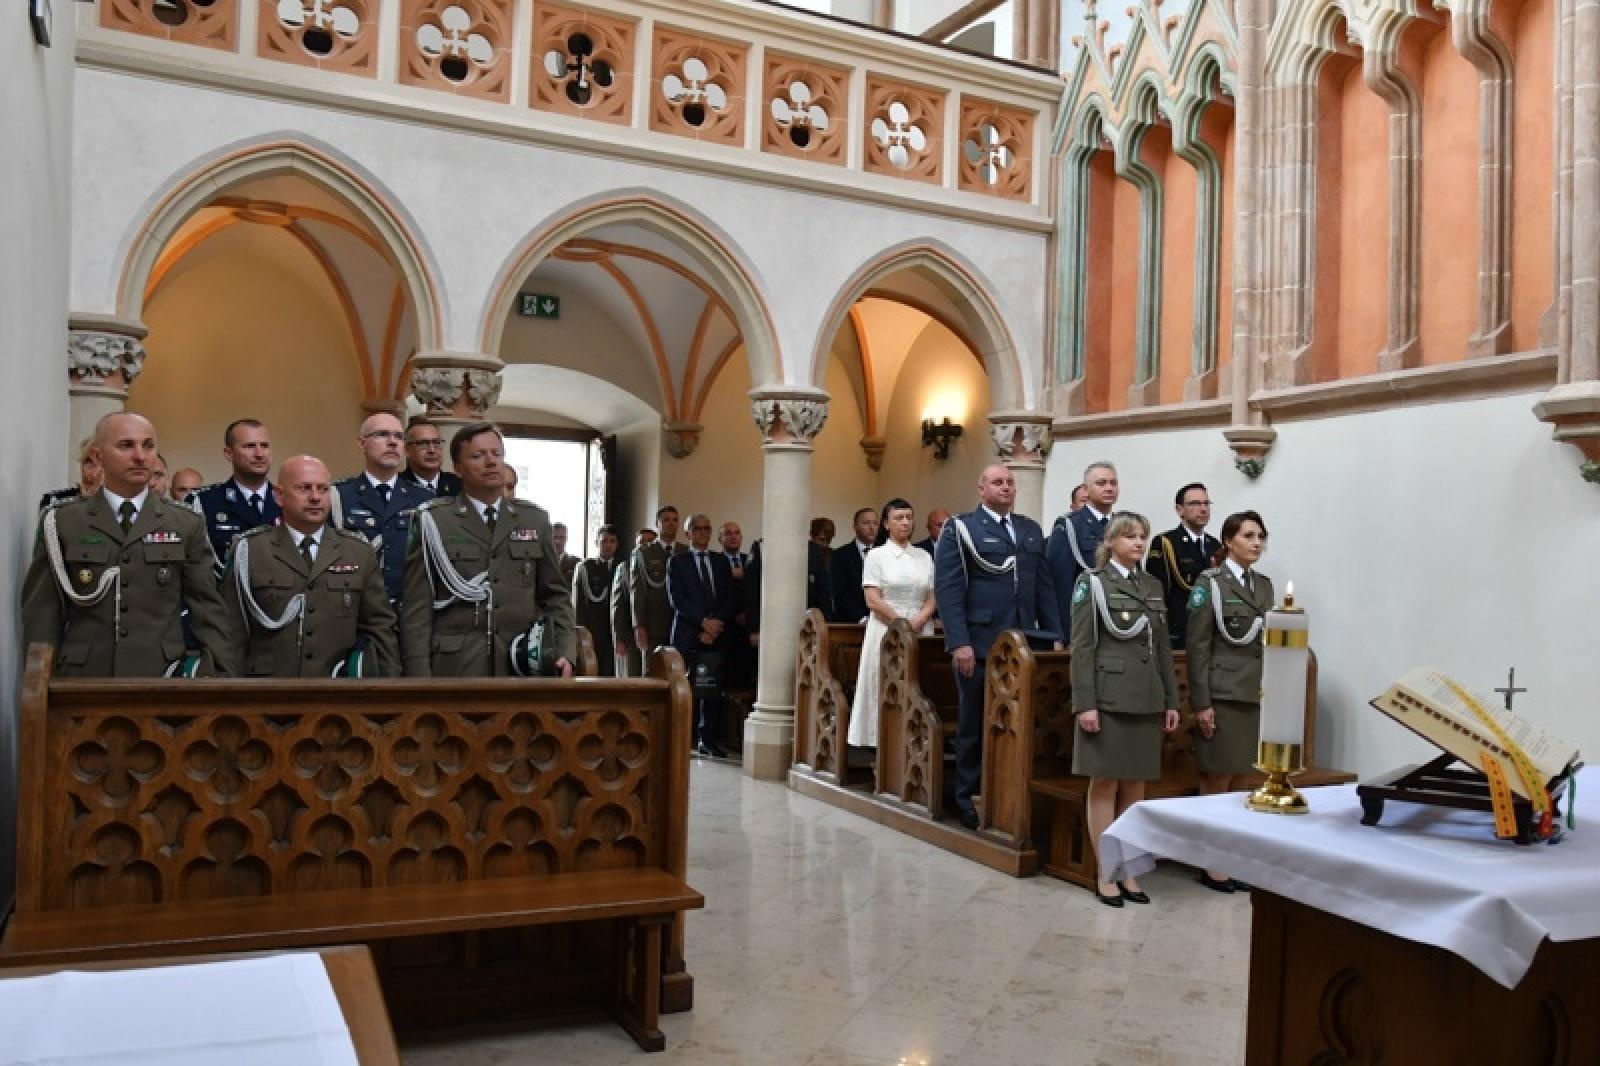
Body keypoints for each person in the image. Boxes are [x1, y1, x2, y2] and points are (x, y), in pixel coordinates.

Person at [22, 412, 234, 677]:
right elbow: (43, 614)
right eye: (126, 445)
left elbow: (208, 609)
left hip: (161, 676)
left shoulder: (185, 522)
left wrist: (222, 677)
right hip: (84, 679)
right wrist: (39, 683)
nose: (140, 456)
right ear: (99, 457)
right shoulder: (63, 522)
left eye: (148, 446)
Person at [935, 465, 1061, 829]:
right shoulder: (962, 529)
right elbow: (950, 589)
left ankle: (1009, 794)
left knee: (1019, 723)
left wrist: (1053, 632)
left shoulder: (1029, 529)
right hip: (980, 642)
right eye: (997, 482)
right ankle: (966, 798)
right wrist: (959, 643)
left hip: (1024, 643)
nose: (1006, 488)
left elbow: (1044, 586)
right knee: (974, 723)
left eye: (1009, 483)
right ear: (981, 488)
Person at [399, 422, 575, 677]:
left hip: (519, 664)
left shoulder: (533, 519)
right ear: (458, 469)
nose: (491, 462)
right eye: (478, 456)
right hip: (456, 669)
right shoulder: (435, 521)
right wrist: (418, 678)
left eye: (497, 454)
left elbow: (555, 596)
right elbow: (417, 608)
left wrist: (564, 651)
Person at [1069, 511, 1180, 907]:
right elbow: (1082, 648)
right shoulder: (1092, 584)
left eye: (1143, 536)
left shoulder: (1151, 585)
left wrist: (1171, 699)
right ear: (1111, 542)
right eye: (1130, 536)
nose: (1138, 543)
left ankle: (1129, 867)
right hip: (1109, 698)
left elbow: (1162, 648)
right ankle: (1107, 872)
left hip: (1146, 698)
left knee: (1135, 786)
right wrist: (1086, 704)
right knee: (1105, 785)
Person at [223, 456, 398, 677]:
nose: (315, 497)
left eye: (323, 489)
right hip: (268, 692)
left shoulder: (358, 551)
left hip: (338, 691)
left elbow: (380, 627)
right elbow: (230, 631)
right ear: (279, 496)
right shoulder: (250, 550)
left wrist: (388, 689)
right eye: (304, 489)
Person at [1186, 510, 1272, 892]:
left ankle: (1230, 855)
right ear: (1229, 541)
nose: (1256, 543)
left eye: (1260, 537)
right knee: (1217, 778)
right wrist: (1202, 703)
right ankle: (1210, 861)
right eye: (1248, 536)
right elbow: (1198, 646)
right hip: (1221, 693)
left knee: (1241, 779)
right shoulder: (1210, 585)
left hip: (1252, 692)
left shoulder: (1265, 586)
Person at [847, 499, 936, 749]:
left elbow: (931, 597)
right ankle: (882, 747)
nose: (905, 522)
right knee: (885, 686)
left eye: (909, 517)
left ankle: (916, 744)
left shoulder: (924, 556)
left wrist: (918, 620)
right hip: (887, 628)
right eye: (899, 518)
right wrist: (900, 624)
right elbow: (873, 599)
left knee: (917, 686)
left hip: (920, 627)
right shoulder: (877, 556)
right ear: (886, 524)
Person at [333, 411, 430, 606]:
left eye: (399, 437)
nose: (392, 442)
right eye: (382, 434)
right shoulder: (339, 496)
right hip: (356, 608)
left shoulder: (424, 498)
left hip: (409, 609)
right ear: (362, 444)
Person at [667, 514, 736, 757]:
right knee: (687, 689)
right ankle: (684, 738)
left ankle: (708, 739)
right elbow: (677, 599)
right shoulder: (678, 561)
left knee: (712, 689)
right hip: (688, 632)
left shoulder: (720, 561)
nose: (703, 533)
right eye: (698, 529)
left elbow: (729, 597)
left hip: (717, 634)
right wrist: (703, 624)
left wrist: (715, 625)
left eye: (707, 528)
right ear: (688, 534)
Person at [193, 418, 281, 563]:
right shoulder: (205, 502)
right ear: (229, 453)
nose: (259, 454)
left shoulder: (288, 500)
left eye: (265, 446)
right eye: (249, 446)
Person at [1146, 483, 1222, 649]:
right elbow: (1158, 592)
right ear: (1179, 510)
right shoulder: (1166, 543)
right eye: (1195, 504)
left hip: (1209, 631)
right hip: (1179, 630)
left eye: (1206, 503)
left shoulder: (1215, 545)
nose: (1203, 509)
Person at [1047, 461, 1119, 633]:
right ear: (1086, 490)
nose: (1109, 488)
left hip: (1119, 618)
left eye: (1113, 483)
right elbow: (1061, 585)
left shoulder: (1123, 525)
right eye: (1101, 483)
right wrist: (1063, 632)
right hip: (1086, 619)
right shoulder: (1070, 525)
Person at [630, 506, 687, 661]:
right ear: (657, 523)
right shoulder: (643, 552)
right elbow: (637, 591)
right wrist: (639, 625)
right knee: (653, 671)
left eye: (675, 520)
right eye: (666, 520)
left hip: (680, 622)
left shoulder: (685, 552)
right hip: (653, 624)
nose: (671, 523)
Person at [572, 524, 621, 676]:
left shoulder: (622, 566)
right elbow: (578, 603)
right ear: (596, 543)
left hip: (615, 630)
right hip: (593, 628)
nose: (608, 545)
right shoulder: (586, 567)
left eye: (612, 541)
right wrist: (581, 632)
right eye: (604, 541)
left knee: (614, 672)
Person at [610, 528, 653, 677]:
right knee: (634, 677)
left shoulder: (661, 565)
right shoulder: (624, 568)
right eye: (642, 542)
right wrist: (619, 638)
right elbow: (617, 606)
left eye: (649, 543)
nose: (645, 546)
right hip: (631, 633)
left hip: (655, 632)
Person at [830, 507, 879, 623]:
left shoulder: (885, 554)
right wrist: (861, 618)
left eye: (875, 523)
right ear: (855, 526)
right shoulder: (840, 555)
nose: (872, 528)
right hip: (850, 623)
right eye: (866, 523)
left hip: (880, 622)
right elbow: (840, 593)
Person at [399, 415, 463, 497]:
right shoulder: (397, 486)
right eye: (423, 444)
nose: (432, 450)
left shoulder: (460, 485)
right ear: (407, 450)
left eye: (437, 443)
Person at [37, 436, 101, 512]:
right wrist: (85, 501)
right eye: (89, 461)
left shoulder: (117, 504)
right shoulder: (53, 500)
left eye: (102, 462)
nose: (97, 470)